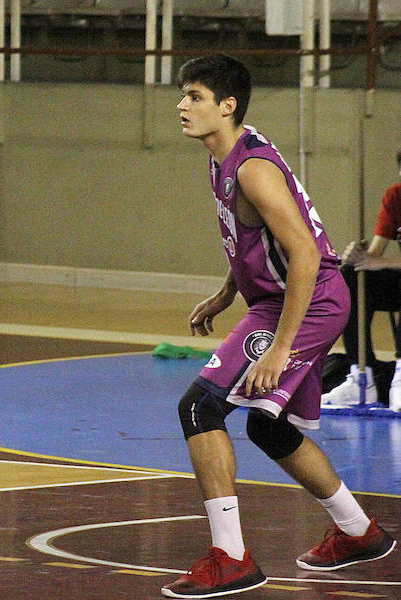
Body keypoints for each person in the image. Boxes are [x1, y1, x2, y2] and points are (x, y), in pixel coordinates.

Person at [162, 54, 396, 599]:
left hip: (307, 301)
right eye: (183, 95)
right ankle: (359, 531)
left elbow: (307, 258)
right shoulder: (226, 154)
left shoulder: (252, 169)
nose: (181, 105)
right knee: (266, 427)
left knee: (199, 407)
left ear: (227, 106)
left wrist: (280, 348)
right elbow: (253, 240)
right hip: (284, 298)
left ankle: (231, 558)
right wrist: (226, 292)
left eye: (193, 96)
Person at [321, 152, 401, 410]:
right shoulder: (395, 196)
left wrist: (385, 263)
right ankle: (361, 376)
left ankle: (400, 377)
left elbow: (383, 261)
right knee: (351, 277)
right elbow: (374, 255)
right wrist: (359, 257)